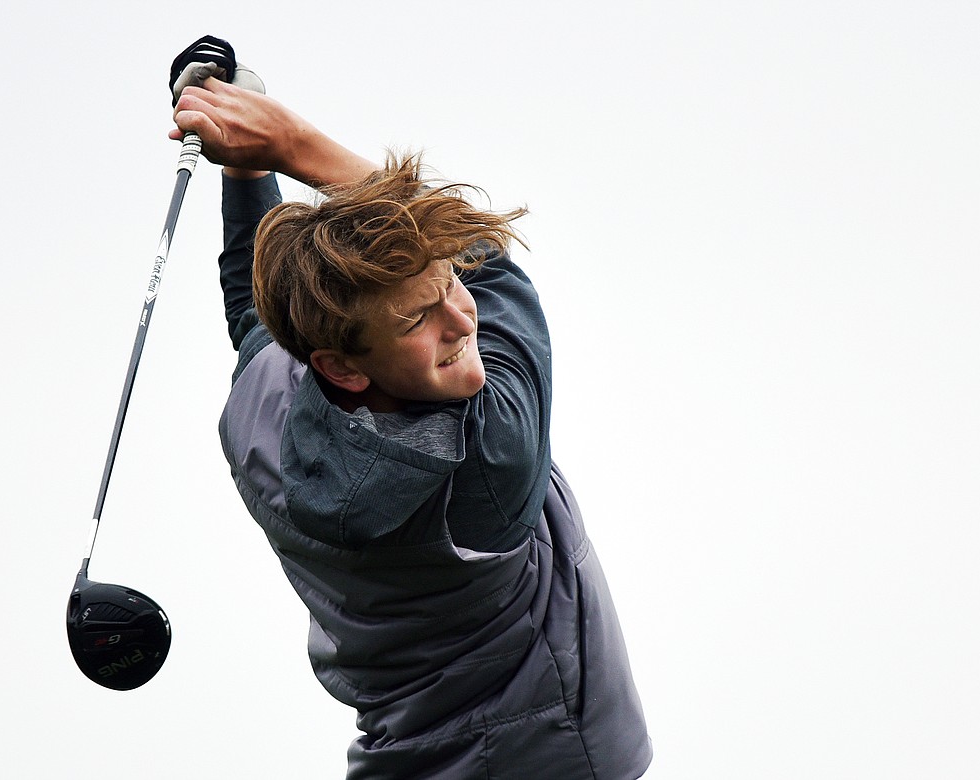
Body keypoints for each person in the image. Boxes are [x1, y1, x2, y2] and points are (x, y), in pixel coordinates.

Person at [170, 37, 651, 779]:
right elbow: (481, 249)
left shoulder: (261, 414)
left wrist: (245, 167)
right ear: (339, 366)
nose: (462, 322)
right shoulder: (490, 459)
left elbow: (256, 317)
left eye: (445, 285)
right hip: (549, 761)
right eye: (416, 318)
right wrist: (289, 141)